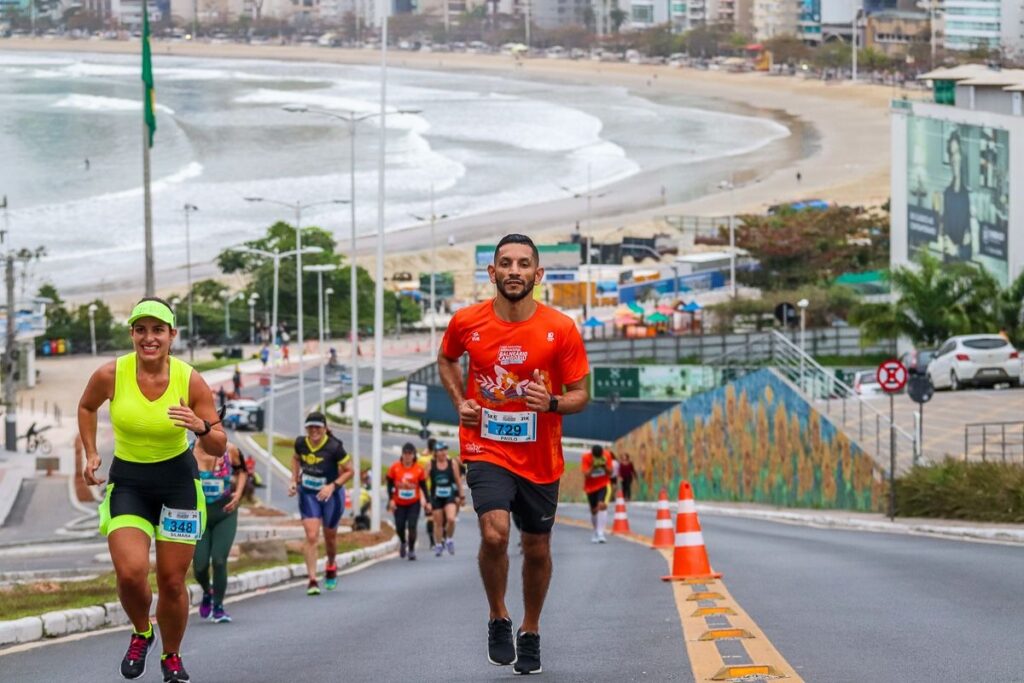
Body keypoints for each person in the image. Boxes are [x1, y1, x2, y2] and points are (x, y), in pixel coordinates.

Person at [438, 233, 590, 675]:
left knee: (537, 547)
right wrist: (458, 402)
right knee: (494, 535)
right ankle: (498, 616)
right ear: (492, 273)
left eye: (524, 264)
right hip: (486, 446)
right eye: (506, 263)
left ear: (537, 275)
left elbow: (581, 394)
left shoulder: (560, 328)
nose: (514, 271)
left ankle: (530, 629)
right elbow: (447, 359)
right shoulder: (467, 321)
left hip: (541, 456)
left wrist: (554, 403)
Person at [79, 297, 226, 683]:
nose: (149, 338)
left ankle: (172, 656)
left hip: (178, 484)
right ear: (131, 334)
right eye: (141, 330)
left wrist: (201, 426)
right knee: (130, 573)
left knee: (173, 581)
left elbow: (219, 445)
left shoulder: (189, 379)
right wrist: (92, 451)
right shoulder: (111, 374)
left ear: (172, 335)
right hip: (129, 481)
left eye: (157, 330)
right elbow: (86, 407)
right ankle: (142, 632)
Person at [288, 412, 353, 595]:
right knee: (311, 536)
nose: (314, 431)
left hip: (331, 496)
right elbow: (295, 458)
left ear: (325, 428)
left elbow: (350, 470)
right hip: (308, 494)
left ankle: (331, 564)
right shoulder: (301, 443)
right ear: (306, 429)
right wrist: (294, 480)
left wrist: (332, 486)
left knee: (330, 537)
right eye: (311, 427)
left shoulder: (334, 447)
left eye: (318, 427)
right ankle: (312, 580)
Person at [193, 440, 248, 624]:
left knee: (218, 559)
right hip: (199, 515)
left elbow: (242, 472)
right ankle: (208, 591)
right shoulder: (188, 450)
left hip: (225, 512)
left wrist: (238, 494)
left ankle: (218, 606)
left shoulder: (230, 450)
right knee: (199, 566)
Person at [387, 443, 430, 561]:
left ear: (413, 455)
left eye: (410, 454)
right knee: (399, 526)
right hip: (398, 503)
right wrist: (390, 499)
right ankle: (403, 542)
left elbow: (423, 486)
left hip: (413, 503)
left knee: (412, 526)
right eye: (405, 453)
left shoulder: (419, 469)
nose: (407, 456)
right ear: (402, 454)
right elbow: (389, 484)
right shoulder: (395, 468)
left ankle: (411, 550)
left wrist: (428, 501)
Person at [429, 442, 464, 556]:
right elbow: (422, 481)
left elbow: (458, 481)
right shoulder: (431, 464)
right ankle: (438, 545)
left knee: (451, 519)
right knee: (438, 523)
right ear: (436, 453)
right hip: (436, 496)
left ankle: (449, 540)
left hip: (450, 495)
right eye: (440, 450)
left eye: (444, 450)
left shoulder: (452, 463)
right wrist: (425, 498)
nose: (443, 452)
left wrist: (462, 496)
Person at [582, 445, 613, 544]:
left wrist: (604, 466)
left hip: (603, 485)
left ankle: (601, 533)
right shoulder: (586, 457)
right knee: (594, 510)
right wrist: (593, 466)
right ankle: (596, 531)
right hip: (590, 487)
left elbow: (610, 473)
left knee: (602, 506)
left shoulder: (607, 455)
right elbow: (586, 474)